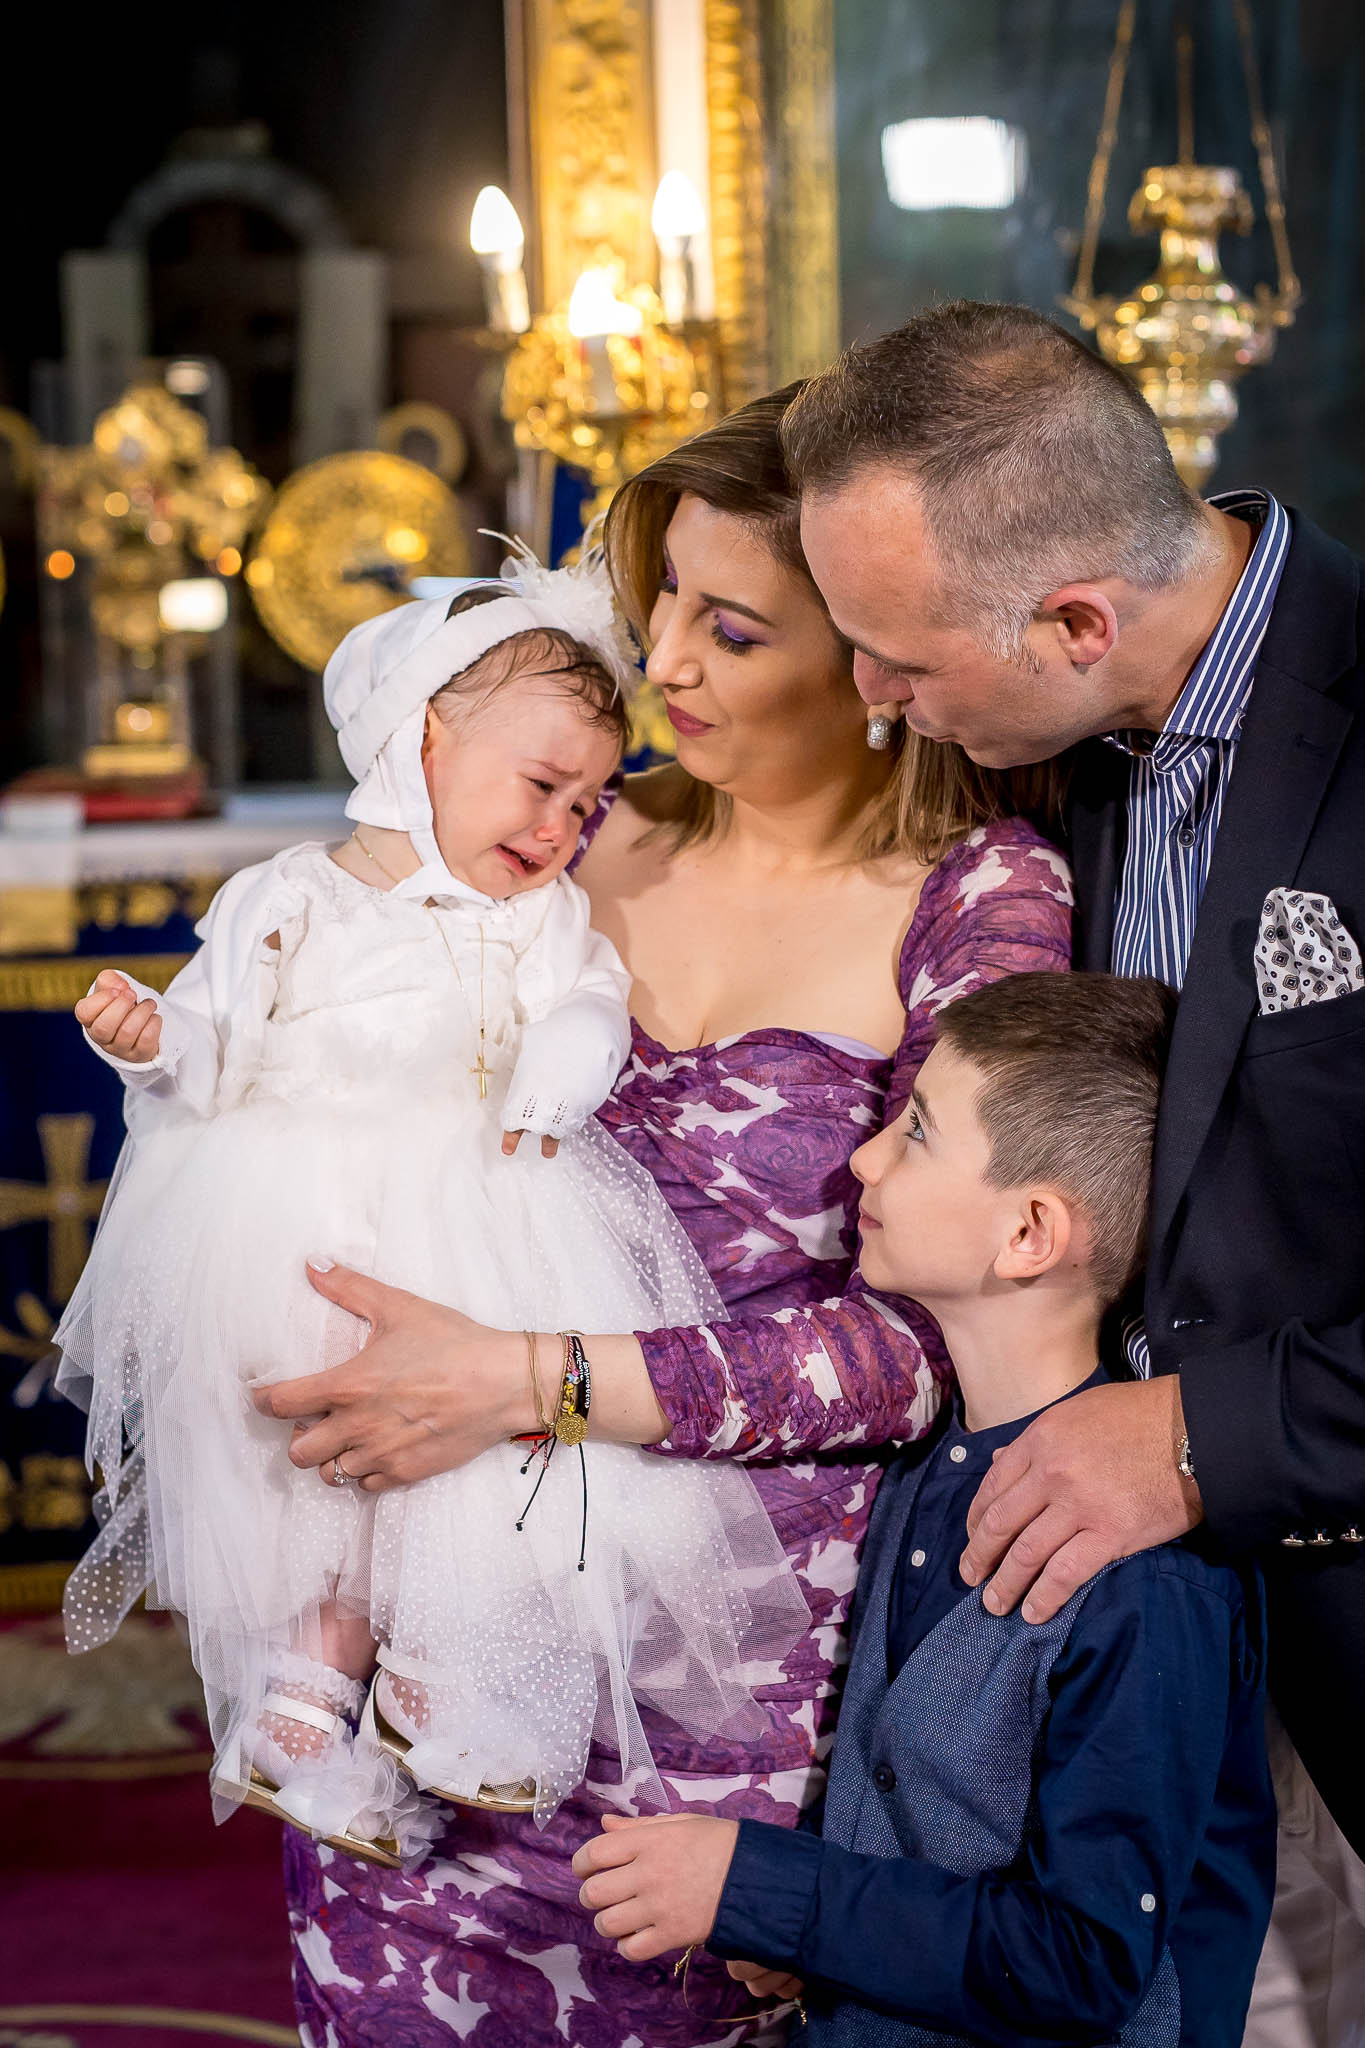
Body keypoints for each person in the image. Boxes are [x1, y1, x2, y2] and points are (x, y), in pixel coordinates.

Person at [254, 389, 1074, 2046]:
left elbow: (943, 1338)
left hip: (742, 1700)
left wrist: (524, 1377)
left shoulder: (980, 898)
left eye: (733, 628)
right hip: (442, 1634)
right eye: (667, 605)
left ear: (875, 658)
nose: (666, 663)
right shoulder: (563, 833)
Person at [779, 298, 1365, 2040]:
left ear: (1076, 617)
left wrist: (1196, 1436)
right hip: (1140, 1669)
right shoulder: (1059, 753)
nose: (872, 701)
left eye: (897, 656)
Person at [57, 547, 806, 1865]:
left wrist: (569, 1059)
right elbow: (214, 1053)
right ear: (424, 739)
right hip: (303, 1227)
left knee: (489, 1464)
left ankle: (435, 1683)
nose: (562, 827)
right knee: (328, 1492)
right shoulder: (289, 895)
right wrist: (153, 1039)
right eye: (541, 784)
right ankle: (299, 1715)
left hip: (489, 1213)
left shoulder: (542, 917)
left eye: (587, 802)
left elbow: (585, 1001)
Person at [574, 972, 1277, 2047]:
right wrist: (826, 1940)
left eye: (916, 1131)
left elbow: (1080, 1964)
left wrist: (769, 1890)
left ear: (1029, 1232)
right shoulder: (922, 1463)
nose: (864, 1158)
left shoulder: (1151, 1578)